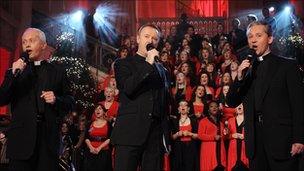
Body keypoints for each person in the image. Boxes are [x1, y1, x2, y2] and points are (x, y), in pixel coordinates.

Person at [227, 21, 304, 170]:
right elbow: (231, 101)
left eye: (258, 35)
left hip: (282, 140)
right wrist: (239, 78)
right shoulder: (247, 70)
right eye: (250, 37)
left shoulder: (287, 66)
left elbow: (299, 105)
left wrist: (299, 138)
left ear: (269, 39)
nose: (253, 40)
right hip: (255, 142)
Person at [0, 28, 74, 170]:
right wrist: (12, 75)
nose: (27, 45)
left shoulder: (58, 72)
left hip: (47, 142)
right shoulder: (15, 72)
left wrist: (56, 100)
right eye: (24, 42)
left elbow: (70, 101)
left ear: (43, 45)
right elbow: (2, 99)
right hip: (21, 141)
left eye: (31, 41)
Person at [111, 24, 171, 171]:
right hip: (129, 133)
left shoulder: (163, 70)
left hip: (154, 137)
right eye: (146, 36)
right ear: (138, 39)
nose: (151, 40)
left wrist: (165, 138)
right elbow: (129, 89)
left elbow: (164, 105)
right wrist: (148, 63)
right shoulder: (123, 64)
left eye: (155, 38)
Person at [84, 104, 112, 171]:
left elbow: (110, 138)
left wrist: (99, 148)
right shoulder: (90, 124)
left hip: (103, 152)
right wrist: (91, 147)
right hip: (90, 152)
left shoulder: (108, 124)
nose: (97, 110)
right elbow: (86, 137)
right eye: (96, 109)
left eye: (100, 109)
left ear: (104, 112)